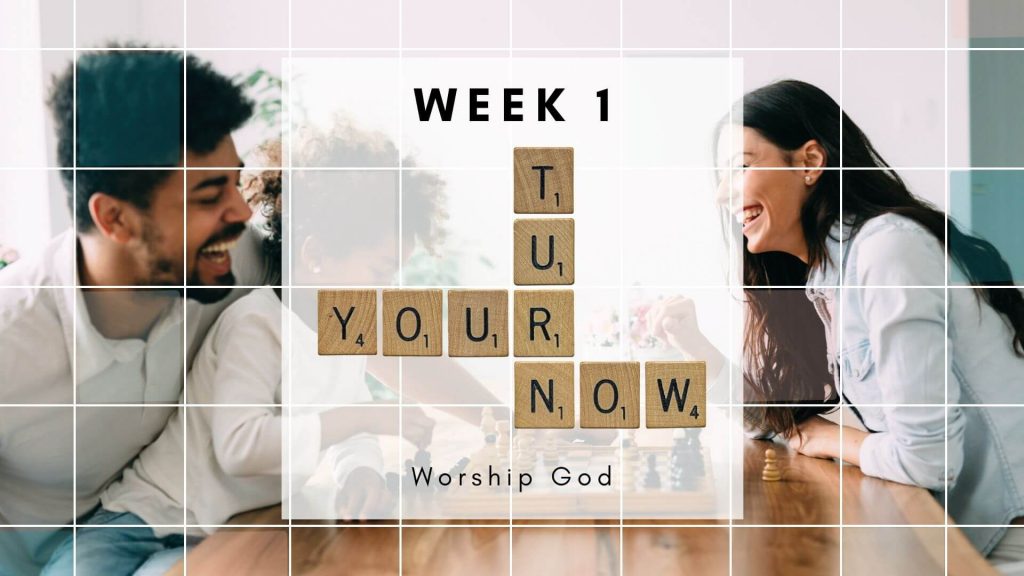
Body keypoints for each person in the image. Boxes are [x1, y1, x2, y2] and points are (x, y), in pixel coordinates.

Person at [656, 79, 1024, 561]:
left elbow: (928, 459)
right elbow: (780, 420)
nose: (722, 194)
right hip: (956, 533)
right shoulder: (828, 277)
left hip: (1006, 542)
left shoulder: (887, 250)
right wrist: (693, 342)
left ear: (810, 162)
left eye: (741, 168)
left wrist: (832, 438)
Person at [40, 151, 426, 575]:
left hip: (223, 531)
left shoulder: (345, 334)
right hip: (141, 520)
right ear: (315, 255)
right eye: (379, 270)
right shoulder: (258, 324)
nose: (388, 289)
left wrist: (361, 474)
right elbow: (240, 447)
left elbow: (349, 421)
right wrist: (362, 417)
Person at [0, 46, 260, 574]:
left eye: (236, 180)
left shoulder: (224, 259)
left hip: (174, 530)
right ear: (115, 219)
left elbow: (356, 327)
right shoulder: (11, 339)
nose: (242, 211)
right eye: (210, 195)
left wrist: (478, 411)